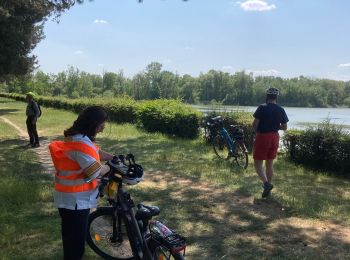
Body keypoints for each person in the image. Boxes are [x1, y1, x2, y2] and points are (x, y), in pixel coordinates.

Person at [49, 106, 118, 260]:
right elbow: (94, 172)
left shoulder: (79, 137)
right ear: (92, 124)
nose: (102, 130)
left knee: (71, 239)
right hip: (75, 202)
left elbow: (95, 151)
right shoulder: (79, 143)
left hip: (70, 200)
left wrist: (113, 157)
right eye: (101, 126)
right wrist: (111, 166)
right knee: (75, 245)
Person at [252, 87, 289, 198]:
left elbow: (254, 125)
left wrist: (263, 126)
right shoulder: (281, 109)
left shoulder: (262, 108)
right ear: (277, 97)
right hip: (275, 137)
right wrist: (274, 125)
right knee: (269, 163)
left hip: (263, 136)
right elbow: (285, 127)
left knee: (258, 163)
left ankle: (266, 184)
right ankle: (268, 190)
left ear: (267, 96)